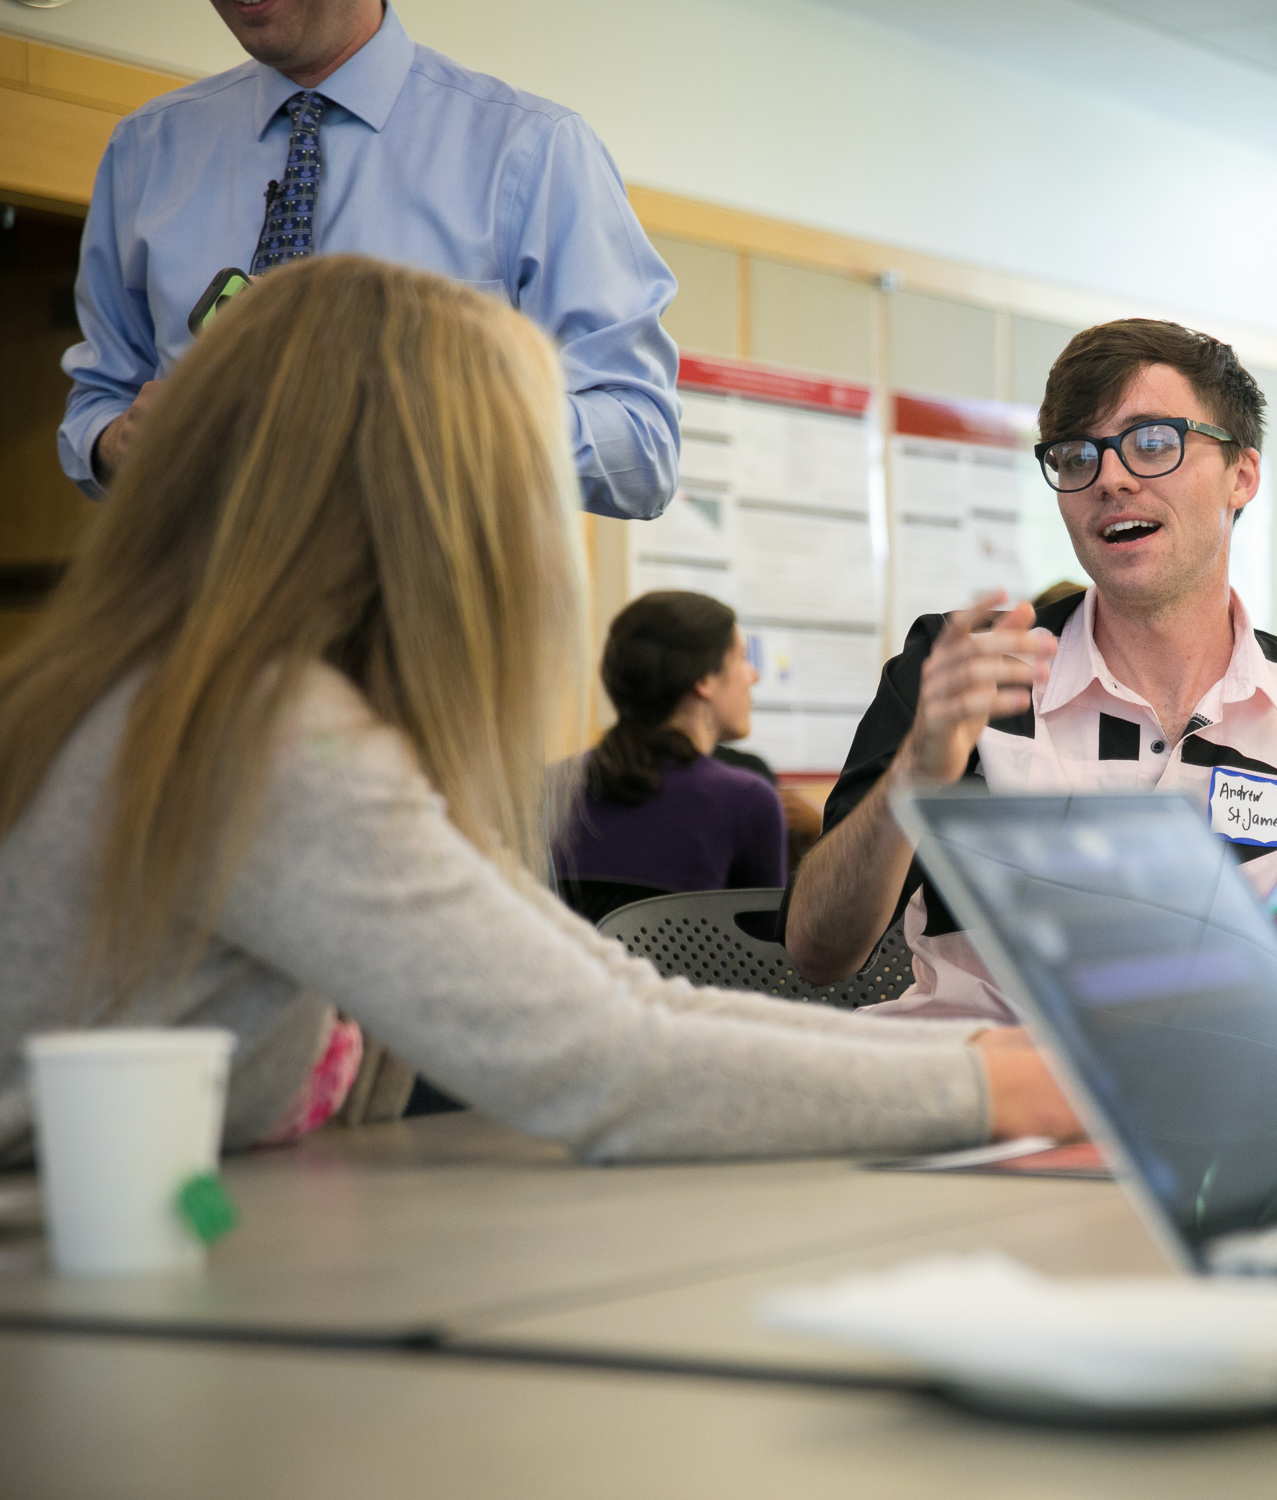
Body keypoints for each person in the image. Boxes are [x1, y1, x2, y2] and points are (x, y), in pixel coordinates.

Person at [0, 255, 1071, 1164]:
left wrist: (1006, 1067)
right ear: (442, 509)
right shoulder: (270, 738)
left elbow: (617, 1003)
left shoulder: (174, 690)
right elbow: (606, 1054)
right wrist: (1017, 1089)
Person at [785, 318, 1277, 1049]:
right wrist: (918, 771)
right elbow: (819, 953)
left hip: (1206, 1101)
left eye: (1154, 442)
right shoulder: (967, 671)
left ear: (1242, 475)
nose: (1110, 477)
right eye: (1076, 456)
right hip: (971, 1096)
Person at [59, 0, 679, 520]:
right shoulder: (146, 150)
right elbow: (97, 403)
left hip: (422, 641)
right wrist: (118, 445)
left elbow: (643, 445)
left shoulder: (532, 150)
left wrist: (439, 426)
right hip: (197, 632)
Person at [553, 591, 786, 897]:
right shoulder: (748, 801)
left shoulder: (549, 789)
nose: (753, 675)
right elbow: (767, 942)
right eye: (742, 658)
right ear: (704, 680)